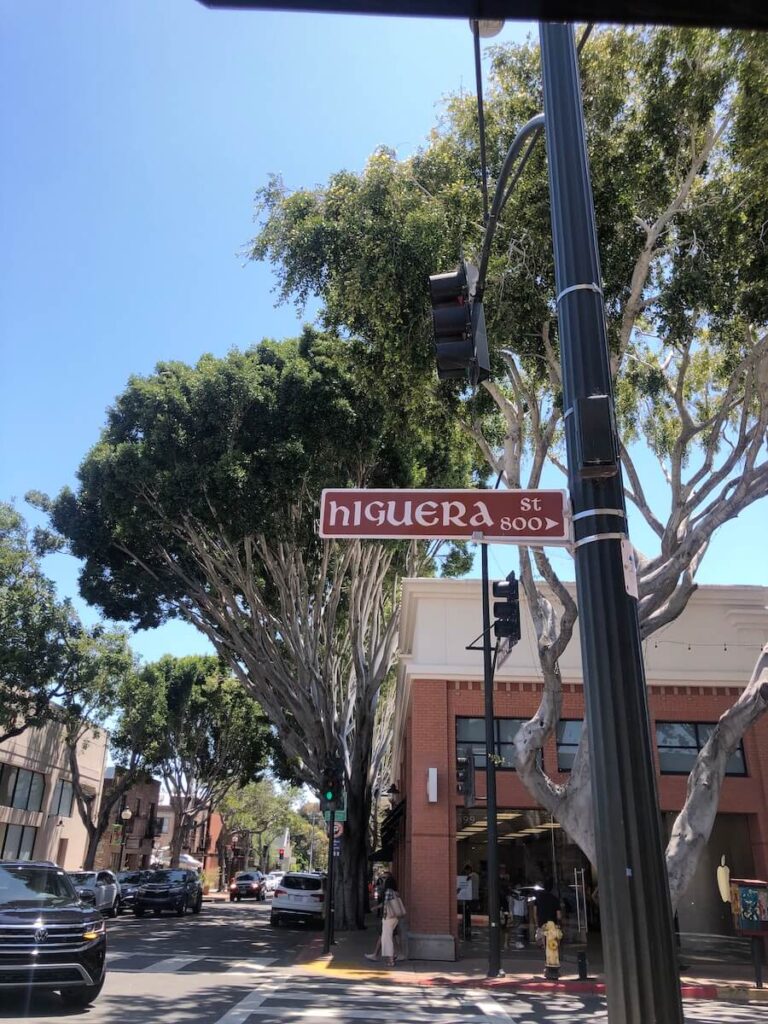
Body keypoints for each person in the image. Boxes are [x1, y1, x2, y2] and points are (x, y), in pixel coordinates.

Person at [365, 876, 403, 966]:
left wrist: (378, 909)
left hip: (388, 918)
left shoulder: (388, 892)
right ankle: (384, 955)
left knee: (387, 939)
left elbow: (385, 904)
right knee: (386, 937)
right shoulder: (396, 893)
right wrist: (376, 907)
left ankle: (391, 959)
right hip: (395, 918)